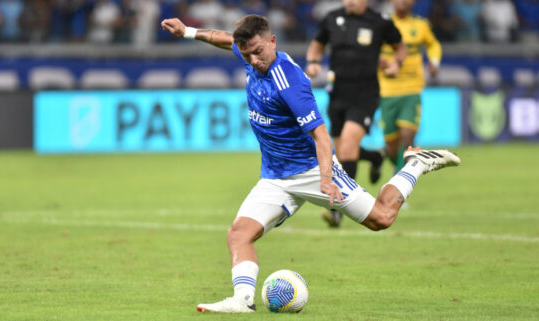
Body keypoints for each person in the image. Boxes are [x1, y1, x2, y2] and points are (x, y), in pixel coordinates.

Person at [161, 14, 460, 314]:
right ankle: (242, 300)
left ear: (272, 41)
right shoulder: (250, 51)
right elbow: (227, 39)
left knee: (381, 219)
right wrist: (188, 31)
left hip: (312, 170)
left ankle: (415, 164)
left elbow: (321, 136)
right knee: (239, 234)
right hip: (275, 177)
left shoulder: (289, 81)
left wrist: (327, 178)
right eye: (247, 53)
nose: (253, 60)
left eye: (258, 52)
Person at [305, 0, 407, 227]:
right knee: (340, 153)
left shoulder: (379, 22)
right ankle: (374, 156)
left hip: (365, 95)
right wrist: (313, 62)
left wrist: (395, 64)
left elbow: (401, 47)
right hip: (337, 94)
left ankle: (339, 208)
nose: (349, 1)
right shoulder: (332, 18)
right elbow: (317, 44)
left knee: (349, 144)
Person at [378, 0, 442, 177]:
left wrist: (434, 61)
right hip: (387, 90)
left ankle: (398, 180)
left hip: (412, 89)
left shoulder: (421, 25)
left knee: (407, 136)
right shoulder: (382, 25)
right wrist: (381, 63)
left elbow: (433, 44)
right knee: (392, 146)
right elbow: (371, 51)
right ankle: (393, 163)